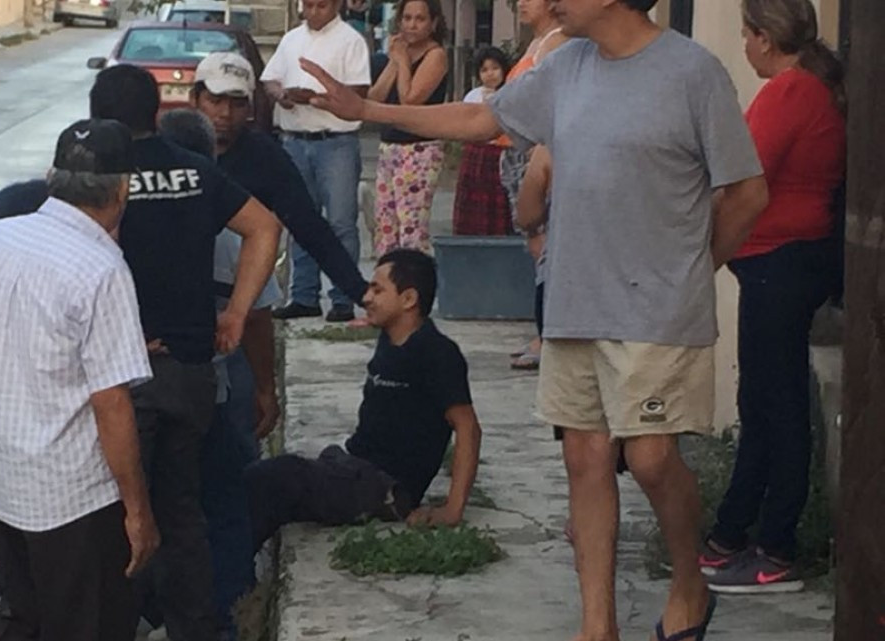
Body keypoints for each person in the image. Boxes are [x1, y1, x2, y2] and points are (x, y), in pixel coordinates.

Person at [298, 0, 772, 639]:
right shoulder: (564, 66)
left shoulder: (693, 72)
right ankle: (596, 626)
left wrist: (696, 272)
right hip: (574, 300)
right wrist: (368, 112)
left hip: (658, 311)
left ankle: (689, 580)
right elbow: (477, 116)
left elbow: (747, 193)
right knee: (585, 459)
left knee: (654, 458)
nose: (544, 3)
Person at [0, 65, 281, 641]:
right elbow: (266, 228)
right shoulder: (195, 173)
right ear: (157, 112)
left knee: (102, 530)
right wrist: (234, 314)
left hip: (114, 388)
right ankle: (197, 630)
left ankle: (51, 609)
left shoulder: (64, 193)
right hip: (185, 371)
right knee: (180, 514)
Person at [0, 119, 160, 641]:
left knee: (21, 615)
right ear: (124, 188)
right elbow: (112, 402)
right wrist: (138, 510)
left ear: (52, 177)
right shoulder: (102, 268)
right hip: (73, 500)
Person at [702, 0, 846, 596]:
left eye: (745, 34)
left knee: (777, 405)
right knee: (761, 399)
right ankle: (733, 531)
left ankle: (777, 546)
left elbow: (743, 173)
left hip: (782, 259)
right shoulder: (805, 88)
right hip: (778, 259)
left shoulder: (791, 92)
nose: (743, 45)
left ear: (764, 38)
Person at [246, 249, 483, 547]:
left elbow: (468, 427)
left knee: (276, 477)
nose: (367, 297)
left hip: (385, 486)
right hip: (352, 466)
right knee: (256, 483)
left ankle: (225, 583)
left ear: (409, 299)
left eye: (378, 289)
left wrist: (452, 509)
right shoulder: (389, 337)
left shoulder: (436, 353)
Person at [157, 107, 283, 640]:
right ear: (210, 158)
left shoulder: (137, 216)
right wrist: (265, 386)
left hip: (151, 383)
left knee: (162, 505)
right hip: (218, 376)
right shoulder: (234, 221)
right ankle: (229, 607)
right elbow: (256, 317)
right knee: (225, 498)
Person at [193, 52, 369, 310]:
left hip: (245, 288)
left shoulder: (265, 156)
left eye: (237, 103)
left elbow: (310, 228)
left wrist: (361, 293)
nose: (225, 113)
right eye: (215, 100)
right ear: (194, 100)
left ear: (250, 107)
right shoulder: (174, 147)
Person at [262, 0, 371, 323]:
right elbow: (270, 78)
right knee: (300, 219)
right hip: (296, 138)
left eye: (321, 6)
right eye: (308, 6)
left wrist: (312, 97)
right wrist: (281, 95)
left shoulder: (350, 40)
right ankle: (304, 294)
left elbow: (359, 89)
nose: (313, 13)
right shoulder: (291, 38)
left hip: (334, 140)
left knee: (340, 222)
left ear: (335, 5)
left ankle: (343, 297)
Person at [499, 0, 567, 371]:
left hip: (534, 157)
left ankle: (548, 334)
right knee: (534, 246)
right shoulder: (536, 41)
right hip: (514, 154)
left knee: (543, 248)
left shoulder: (557, 43)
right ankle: (543, 332)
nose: (522, 3)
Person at [368, 0, 449, 255]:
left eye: (420, 19)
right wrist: (395, 61)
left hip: (419, 149)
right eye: (407, 18)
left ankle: (413, 281)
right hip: (390, 145)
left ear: (433, 23)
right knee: (386, 224)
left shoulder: (435, 55)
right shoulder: (398, 54)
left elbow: (410, 100)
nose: (412, 25)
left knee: (410, 226)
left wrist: (402, 62)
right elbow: (375, 97)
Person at [452, 45, 513, 237]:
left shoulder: (513, 93)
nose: (490, 74)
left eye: (495, 68)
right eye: (484, 70)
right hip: (476, 154)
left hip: (503, 154)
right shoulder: (473, 96)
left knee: (500, 202)